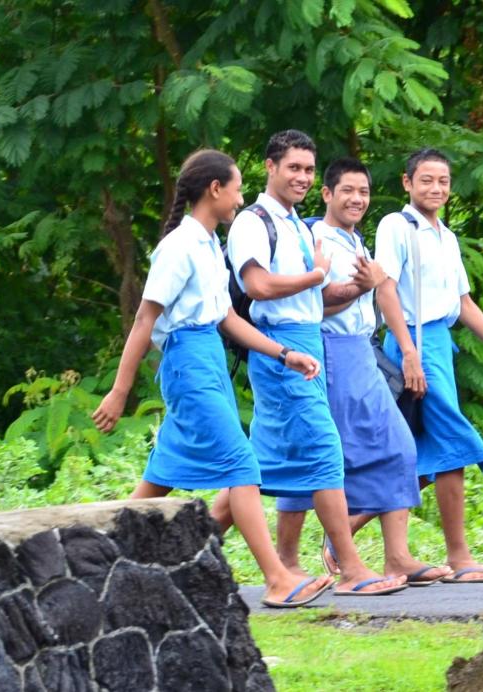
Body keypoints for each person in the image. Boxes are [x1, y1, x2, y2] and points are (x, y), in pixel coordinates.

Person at [91, 148, 333, 608]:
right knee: (243, 465)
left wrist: (284, 353)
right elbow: (145, 319)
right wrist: (119, 391)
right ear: (215, 189)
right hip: (188, 366)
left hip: (209, 361)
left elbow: (227, 318)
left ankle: (107, 560)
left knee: (159, 477)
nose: (241, 199)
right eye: (238, 189)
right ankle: (278, 579)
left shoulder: (206, 245)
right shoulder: (179, 247)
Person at [212, 131, 406, 596]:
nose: (301, 177)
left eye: (307, 169)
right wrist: (316, 275)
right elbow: (257, 286)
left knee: (255, 466)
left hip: (306, 344)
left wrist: (356, 286)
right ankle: (354, 571)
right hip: (279, 348)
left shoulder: (299, 224)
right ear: (270, 167)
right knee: (324, 451)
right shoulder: (254, 222)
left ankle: (179, 561)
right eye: (293, 167)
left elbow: (316, 301)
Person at [272, 157, 452, 586]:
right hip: (328, 352)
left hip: (362, 351)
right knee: (315, 455)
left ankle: (398, 557)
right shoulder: (316, 238)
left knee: (398, 448)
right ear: (327, 194)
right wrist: (361, 286)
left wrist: (403, 345)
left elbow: (380, 290)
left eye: (364, 192)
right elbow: (316, 301)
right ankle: (288, 561)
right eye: (348, 191)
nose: (357, 199)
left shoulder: (355, 241)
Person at [373, 147, 483, 583]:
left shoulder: (446, 237)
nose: (436, 188)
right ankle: (458, 558)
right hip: (413, 340)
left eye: (443, 181)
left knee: (427, 452)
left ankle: (351, 530)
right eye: (426, 180)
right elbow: (384, 289)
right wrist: (407, 352)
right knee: (455, 442)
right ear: (407, 183)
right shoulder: (396, 226)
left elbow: (462, 303)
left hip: (439, 344)